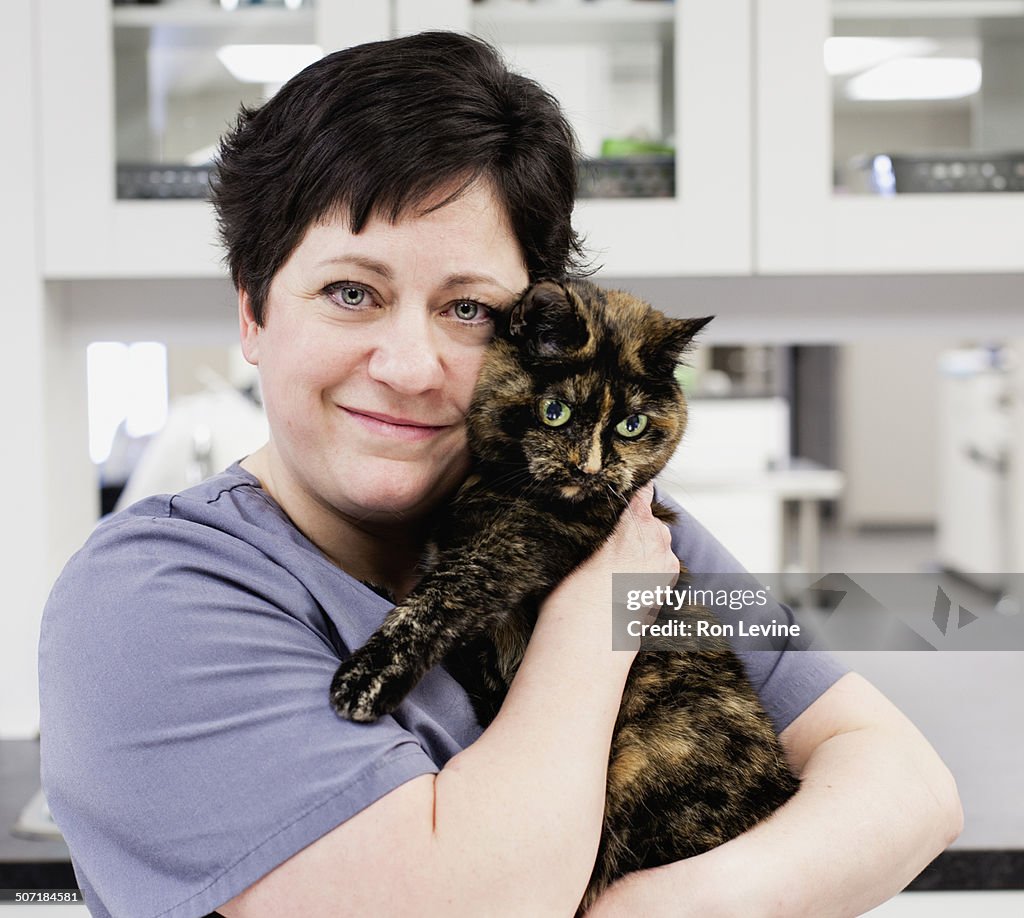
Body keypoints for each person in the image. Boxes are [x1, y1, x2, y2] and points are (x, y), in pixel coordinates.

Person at [39, 31, 961, 918]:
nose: (410, 365)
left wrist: (666, 904)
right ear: (253, 310)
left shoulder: (614, 516)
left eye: (470, 309)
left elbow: (905, 784)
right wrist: (594, 621)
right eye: (351, 292)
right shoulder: (148, 599)